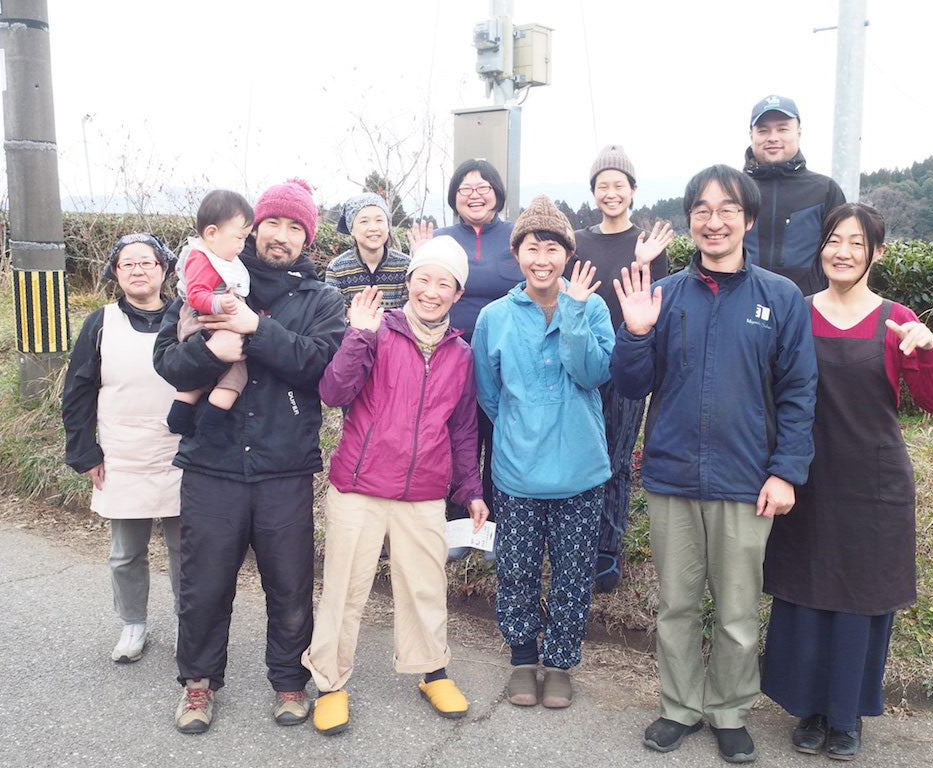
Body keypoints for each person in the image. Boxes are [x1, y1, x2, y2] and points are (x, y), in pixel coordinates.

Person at [611, 165, 817, 762]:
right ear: (689, 221)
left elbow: (799, 393)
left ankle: (729, 709)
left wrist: (786, 471)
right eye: (702, 209)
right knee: (675, 603)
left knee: (734, 609)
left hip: (746, 479)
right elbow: (631, 386)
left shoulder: (778, 298)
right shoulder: (664, 295)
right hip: (674, 474)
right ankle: (679, 705)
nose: (714, 220)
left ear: (748, 221)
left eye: (727, 209)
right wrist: (635, 334)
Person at [762, 203, 933, 760]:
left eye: (855, 242)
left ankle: (846, 716)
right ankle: (809, 708)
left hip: (874, 482)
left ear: (877, 252)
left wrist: (926, 351)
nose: (842, 252)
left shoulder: (896, 319)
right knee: (805, 591)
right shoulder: (797, 311)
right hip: (806, 474)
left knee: (860, 600)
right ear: (820, 248)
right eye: (833, 241)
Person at [153, 178, 347, 734]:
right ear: (253, 227)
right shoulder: (208, 278)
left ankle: (289, 681)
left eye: (295, 228)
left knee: (289, 584)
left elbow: (321, 368)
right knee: (204, 583)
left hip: (284, 464)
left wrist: (255, 329)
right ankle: (197, 685)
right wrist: (211, 348)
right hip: (211, 462)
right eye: (273, 224)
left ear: (306, 237)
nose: (281, 237)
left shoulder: (320, 299)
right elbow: (167, 362)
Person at [302, 236, 490, 734]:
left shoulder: (461, 353)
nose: (431, 291)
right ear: (408, 283)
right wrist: (357, 336)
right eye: (423, 279)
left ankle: (432, 672)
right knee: (344, 588)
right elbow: (333, 392)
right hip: (359, 486)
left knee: (427, 586)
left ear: (457, 293)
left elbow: (463, 428)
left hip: (424, 490)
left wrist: (470, 488)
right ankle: (330, 683)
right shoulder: (375, 330)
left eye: (443, 283)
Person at [472, 195, 614, 710]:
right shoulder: (494, 316)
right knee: (518, 569)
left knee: (574, 573)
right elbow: (488, 394)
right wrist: (520, 425)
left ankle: (559, 663)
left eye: (553, 248)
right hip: (518, 470)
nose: (542, 258)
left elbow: (595, 375)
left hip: (580, 469)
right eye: (533, 246)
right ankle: (522, 659)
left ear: (567, 256)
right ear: (518, 253)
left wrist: (574, 314)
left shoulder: (591, 306)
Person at [62, 233, 181, 665]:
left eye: (146, 262)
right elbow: (77, 392)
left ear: (164, 270)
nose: (137, 270)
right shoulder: (100, 322)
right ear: (116, 272)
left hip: (181, 450)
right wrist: (84, 451)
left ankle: (191, 624)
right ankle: (133, 624)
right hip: (122, 451)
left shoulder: (186, 316)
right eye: (127, 263)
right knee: (126, 551)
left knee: (186, 548)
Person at [569, 144, 674, 592]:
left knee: (615, 457)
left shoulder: (647, 245)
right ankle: (574, 538)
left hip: (627, 364)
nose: (610, 193)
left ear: (633, 190)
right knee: (579, 452)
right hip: (582, 359)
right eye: (602, 186)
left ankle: (607, 547)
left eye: (619, 185)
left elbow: (658, 305)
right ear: (593, 192)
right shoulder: (578, 241)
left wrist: (646, 262)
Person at [435, 159, 522, 559]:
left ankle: (494, 526)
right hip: (451, 356)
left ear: (498, 193)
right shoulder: (442, 238)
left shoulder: (516, 236)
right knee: (457, 437)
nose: (475, 193)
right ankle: (457, 522)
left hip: (506, 357)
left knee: (498, 435)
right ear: (454, 196)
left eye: (483, 186)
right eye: (466, 187)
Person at [166, 190, 254, 443]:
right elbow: (195, 295)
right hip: (207, 321)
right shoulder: (204, 260)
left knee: (201, 375)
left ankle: (179, 415)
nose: (242, 245)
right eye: (239, 237)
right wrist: (220, 302)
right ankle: (211, 424)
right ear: (212, 233)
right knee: (236, 375)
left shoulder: (208, 255)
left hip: (199, 325)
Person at [744, 94, 846, 295]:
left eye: (782, 128)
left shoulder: (825, 190)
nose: (773, 137)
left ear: (798, 132)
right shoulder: (734, 189)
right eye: (763, 130)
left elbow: (843, 252)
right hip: (741, 306)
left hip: (806, 307)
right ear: (751, 135)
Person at [325, 192, 410, 310]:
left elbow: (412, 312)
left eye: (379, 220)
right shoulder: (337, 268)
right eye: (364, 221)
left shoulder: (406, 265)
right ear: (352, 229)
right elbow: (333, 314)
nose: (373, 228)